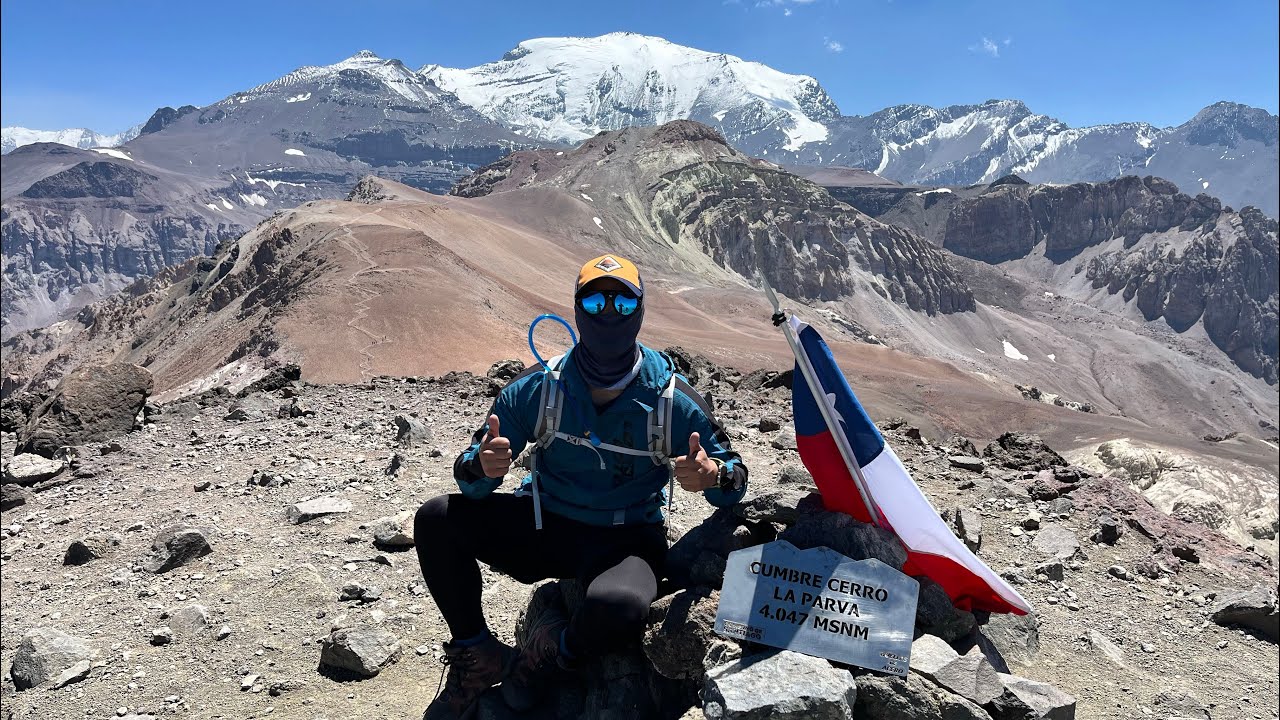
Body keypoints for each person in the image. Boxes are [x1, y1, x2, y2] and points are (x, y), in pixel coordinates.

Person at [416, 254, 749, 719]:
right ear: (576, 310)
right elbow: (469, 475)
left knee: (621, 605)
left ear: (640, 310)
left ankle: (550, 653)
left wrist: (712, 477)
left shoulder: (671, 398)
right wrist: (484, 468)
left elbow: (735, 478)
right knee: (437, 519)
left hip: (626, 537)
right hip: (546, 522)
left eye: (622, 301)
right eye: (594, 301)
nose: (608, 312)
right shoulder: (540, 387)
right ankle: (478, 654)